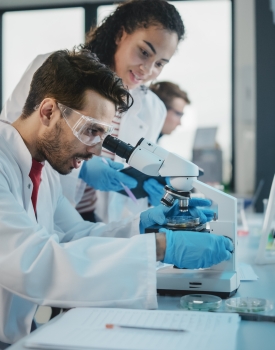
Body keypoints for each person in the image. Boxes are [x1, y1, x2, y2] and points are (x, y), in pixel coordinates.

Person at [0, 49, 234, 345]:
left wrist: (141, 227)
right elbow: (34, 263)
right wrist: (162, 247)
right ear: (48, 112)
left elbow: (75, 235)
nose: (97, 150)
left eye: (103, 135)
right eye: (91, 131)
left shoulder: (42, 170)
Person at [1, 0, 191, 222]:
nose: (148, 70)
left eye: (160, 64)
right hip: (42, 209)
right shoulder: (56, 70)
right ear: (120, 35)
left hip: (96, 219)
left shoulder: (153, 108)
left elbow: (131, 189)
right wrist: (82, 170)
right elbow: (16, 138)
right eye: (144, 52)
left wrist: (149, 194)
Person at [143, 81, 191, 205]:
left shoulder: (155, 141)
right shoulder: (141, 140)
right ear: (160, 109)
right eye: (178, 114)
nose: (179, 123)